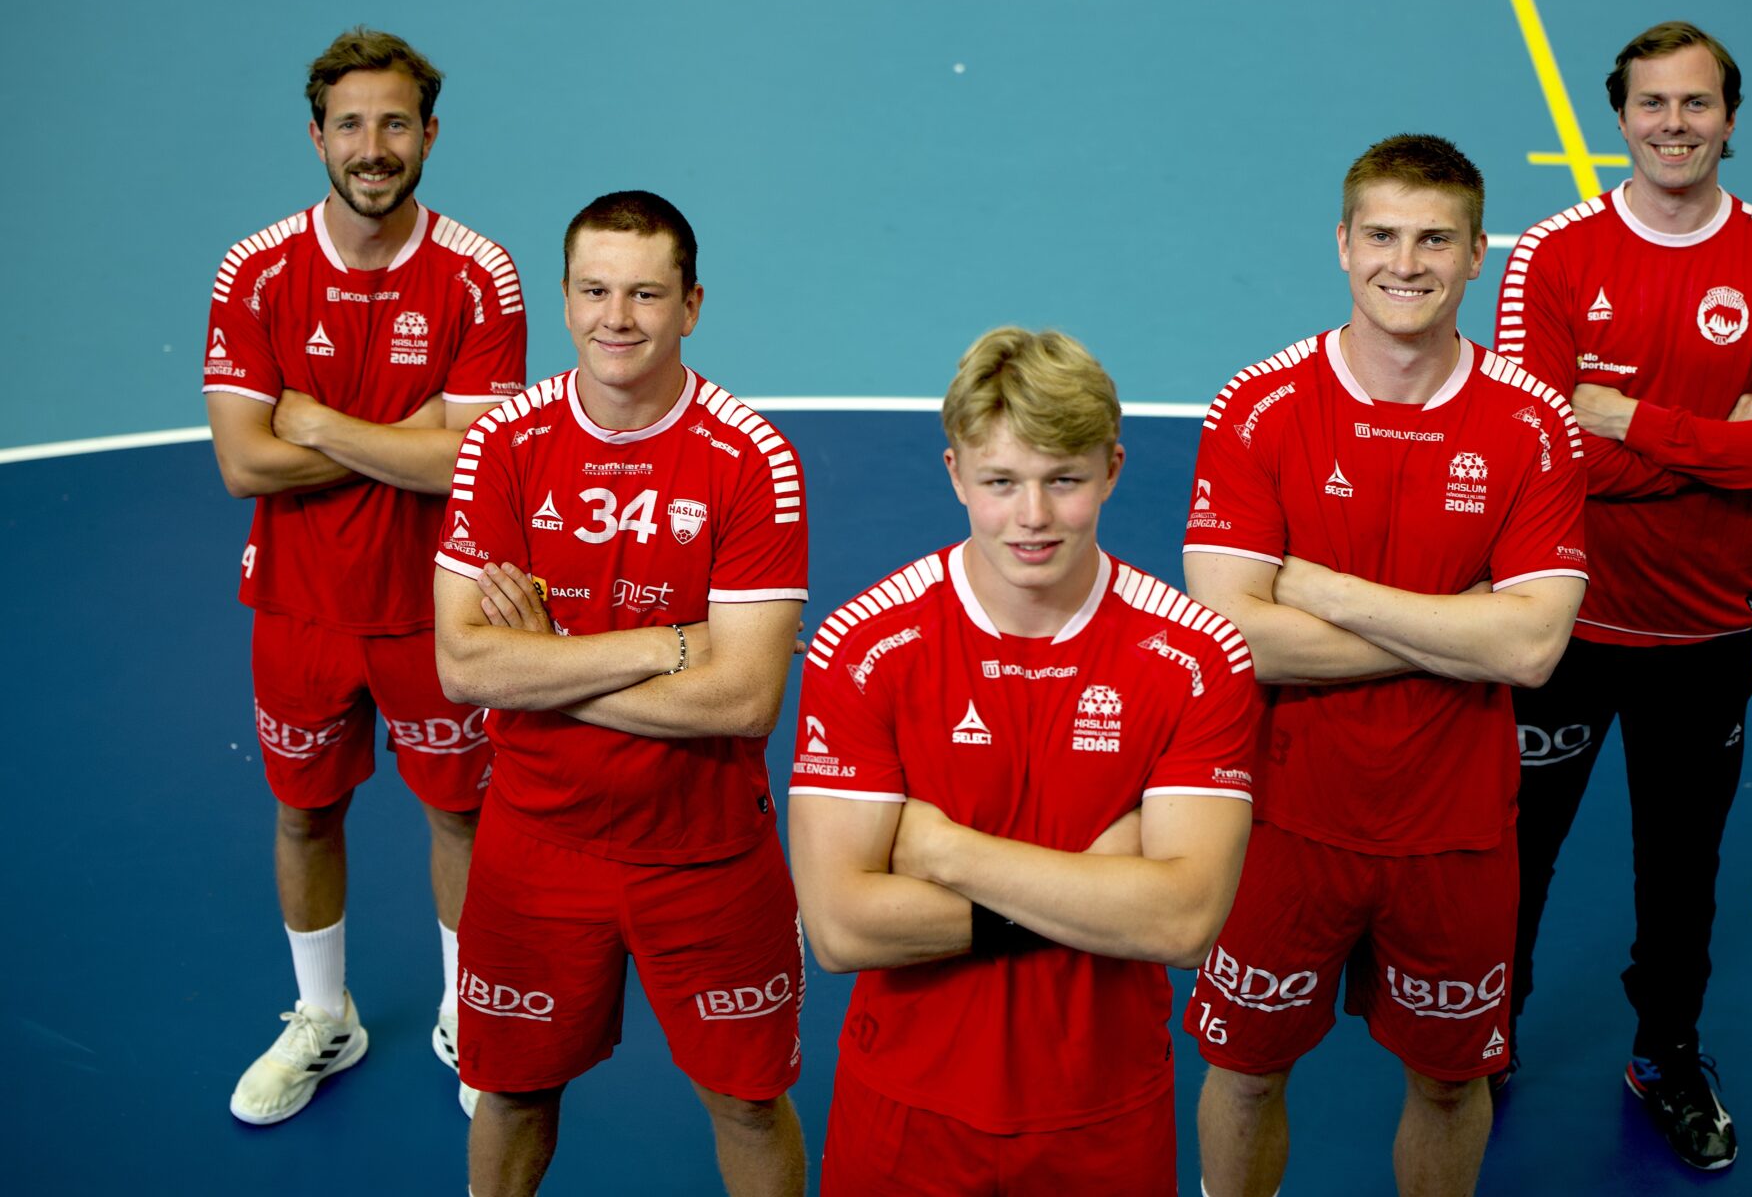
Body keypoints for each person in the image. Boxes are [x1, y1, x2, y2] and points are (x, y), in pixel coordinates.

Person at [1183, 135, 1589, 1197]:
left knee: (1452, 1086)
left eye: (1434, 240)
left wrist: (1321, 589)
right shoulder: (1260, 404)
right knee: (1245, 1072)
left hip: (1456, 829)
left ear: (1477, 254)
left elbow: (1533, 647)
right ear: (1341, 243)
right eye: (1381, 235)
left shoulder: (1531, 422)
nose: (1404, 263)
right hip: (1279, 816)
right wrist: (1461, 625)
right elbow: (1231, 636)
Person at [787, 327, 1260, 1195]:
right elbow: (844, 928)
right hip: (905, 1114)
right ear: (956, 474)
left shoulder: (1200, 656)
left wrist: (944, 852)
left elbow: (1182, 923)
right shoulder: (864, 647)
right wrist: (1099, 888)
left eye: (1064, 480)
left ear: (1113, 470)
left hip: (1106, 1116)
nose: (1033, 516)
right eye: (1001, 481)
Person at [1492, 20, 1752, 1171]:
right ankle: (1487, 1030)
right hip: (1559, 621)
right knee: (1513, 850)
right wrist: (1717, 444)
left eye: (1695, 104)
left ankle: (1664, 1052)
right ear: (1619, 116)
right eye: (1652, 103)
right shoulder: (1552, 255)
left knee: (1681, 871)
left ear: (1728, 119)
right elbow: (1537, 455)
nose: (1672, 124)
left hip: (1701, 630)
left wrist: (1629, 422)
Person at [433, 190, 808, 1196]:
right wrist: (664, 646)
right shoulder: (503, 442)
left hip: (705, 848)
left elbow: (742, 699)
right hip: (535, 844)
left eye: (645, 293)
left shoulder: (753, 458)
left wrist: (545, 663)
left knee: (746, 1100)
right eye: (595, 291)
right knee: (511, 1092)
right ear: (563, 300)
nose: (618, 317)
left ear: (691, 305)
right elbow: (463, 667)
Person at [205, 27, 527, 1126]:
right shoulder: (255, 270)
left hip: (440, 607)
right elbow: (243, 462)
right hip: (298, 607)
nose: (372, 146)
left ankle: (467, 1014)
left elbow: (470, 461)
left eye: (394, 123)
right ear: (317, 137)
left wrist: (319, 422)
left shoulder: (479, 273)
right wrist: (409, 432)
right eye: (350, 124)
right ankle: (322, 1018)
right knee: (304, 814)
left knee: (461, 818)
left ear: (430, 134)